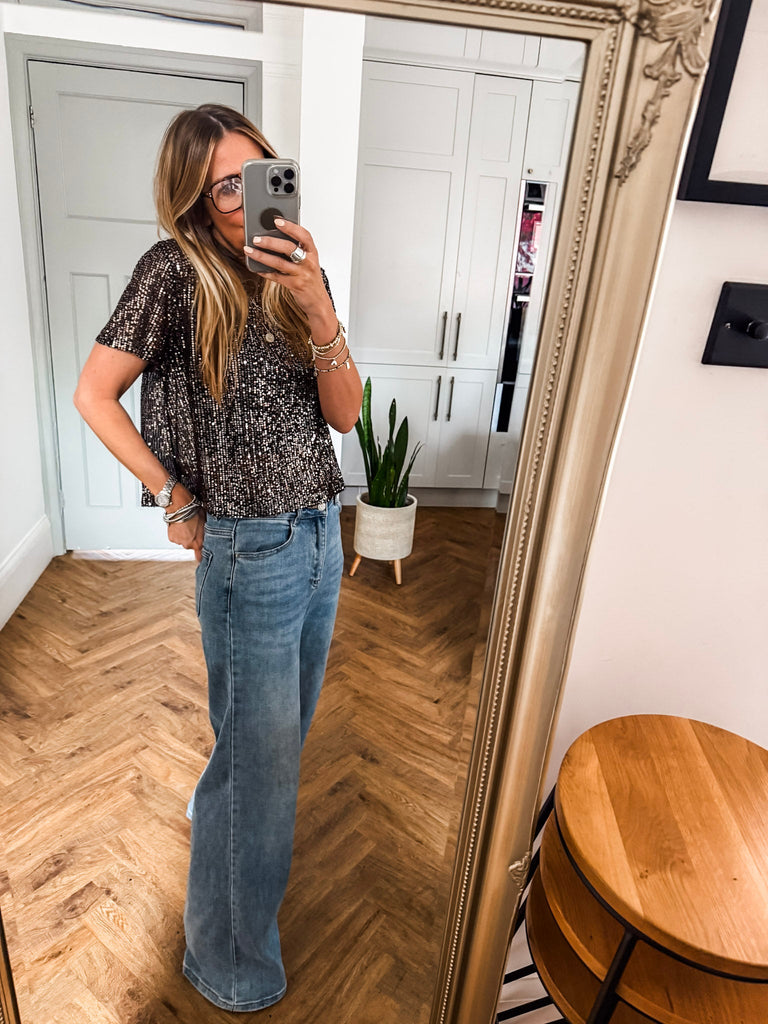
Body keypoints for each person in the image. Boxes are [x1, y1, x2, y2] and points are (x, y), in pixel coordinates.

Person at [73, 103, 362, 1012]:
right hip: (250, 551)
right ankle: (229, 966)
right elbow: (94, 393)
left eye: (258, 174)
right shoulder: (173, 272)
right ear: (195, 200)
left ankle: (222, 840)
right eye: (224, 187)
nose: (245, 199)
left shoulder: (298, 268)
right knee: (261, 772)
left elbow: (345, 415)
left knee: (268, 749)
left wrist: (318, 304)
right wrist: (173, 493)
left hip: (320, 533)